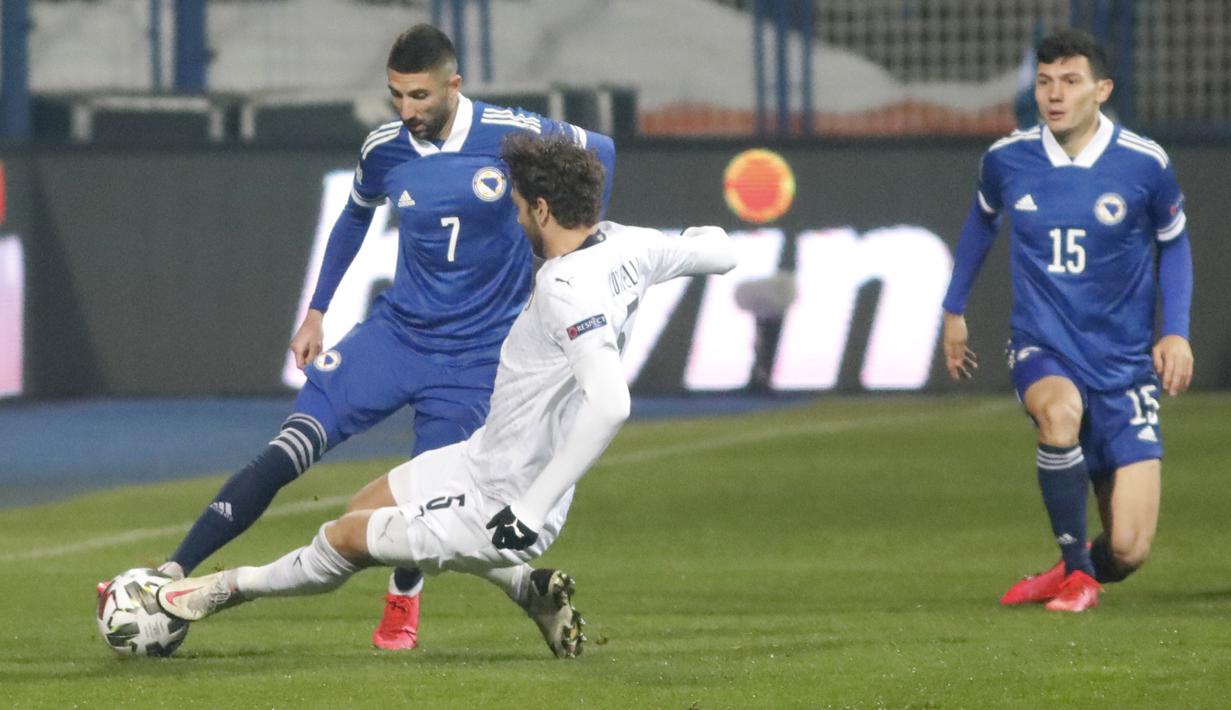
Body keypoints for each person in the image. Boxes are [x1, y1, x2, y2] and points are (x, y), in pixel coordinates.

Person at [154, 132, 738, 658]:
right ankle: (530, 589)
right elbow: (722, 252)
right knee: (365, 504)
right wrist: (698, 238)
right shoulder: (626, 243)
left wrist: (530, 511)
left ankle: (222, 589)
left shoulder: (566, 286)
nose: (515, 224)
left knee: (340, 540)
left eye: (517, 210)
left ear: (542, 208)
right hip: (482, 456)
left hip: (509, 497)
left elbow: (611, 403)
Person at [147, 24, 616, 650]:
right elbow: (354, 215)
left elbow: (602, 150)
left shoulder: (513, 132)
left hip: (477, 356)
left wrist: (570, 246)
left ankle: (403, 605)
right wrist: (316, 311)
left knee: (431, 505)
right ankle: (170, 574)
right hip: (396, 335)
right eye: (397, 95)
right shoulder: (386, 148)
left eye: (420, 96)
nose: (407, 111)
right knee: (290, 447)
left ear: (454, 85)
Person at [941, 29, 1194, 612]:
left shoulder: (1144, 163)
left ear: (1101, 89)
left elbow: (1174, 245)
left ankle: (1072, 567)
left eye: (1071, 81)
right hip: (1043, 345)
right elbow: (981, 224)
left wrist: (1175, 328)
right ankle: (1081, 577)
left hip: (1125, 365)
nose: (1054, 95)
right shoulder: (1007, 159)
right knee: (1058, 411)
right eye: (1045, 81)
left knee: (1129, 549)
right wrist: (954, 309)